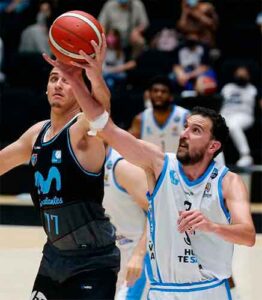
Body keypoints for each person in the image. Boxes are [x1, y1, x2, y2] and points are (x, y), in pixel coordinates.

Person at [45, 63, 255, 299]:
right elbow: (105, 127)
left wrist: (211, 226)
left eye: (195, 130)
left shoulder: (229, 181)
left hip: (209, 291)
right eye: (185, 127)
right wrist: (81, 79)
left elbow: (247, 235)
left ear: (213, 146)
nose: (184, 133)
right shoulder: (159, 163)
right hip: (162, 291)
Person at [0, 35, 120, 300]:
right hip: (54, 258)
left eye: (68, 80)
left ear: (80, 92)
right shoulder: (36, 134)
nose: (58, 84)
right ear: (45, 88)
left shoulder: (82, 129)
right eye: (54, 78)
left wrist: (95, 77)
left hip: (93, 261)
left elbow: (102, 114)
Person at [104, 146, 149, 299]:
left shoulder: (122, 167)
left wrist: (139, 254)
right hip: (109, 258)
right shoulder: (80, 165)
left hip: (138, 255)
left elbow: (159, 212)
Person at [129, 76, 189, 153]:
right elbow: (131, 147)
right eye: (155, 91)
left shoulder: (185, 116)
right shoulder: (140, 119)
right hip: (149, 164)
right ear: (149, 94)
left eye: (163, 91)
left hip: (177, 164)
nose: (159, 94)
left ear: (171, 96)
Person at [220, 65, 257, 167]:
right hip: (224, 115)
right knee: (213, 125)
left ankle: (246, 155)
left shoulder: (253, 89)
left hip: (244, 116)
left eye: (243, 73)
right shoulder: (227, 87)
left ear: (248, 76)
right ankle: (215, 158)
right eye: (239, 73)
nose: (241, 75)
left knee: (233, 124)